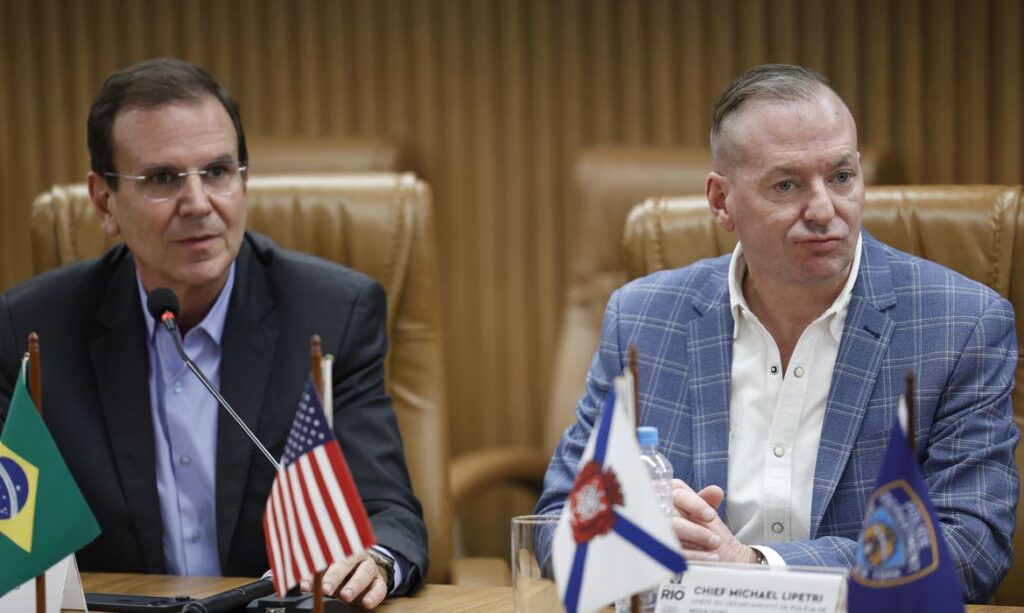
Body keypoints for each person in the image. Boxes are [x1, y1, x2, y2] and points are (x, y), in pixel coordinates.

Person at [535, 64, 1019, 602]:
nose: (824, 210)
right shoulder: (643, 318)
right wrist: (631, 541)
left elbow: (971, 547)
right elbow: (555, 522)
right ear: (721, 201)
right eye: (786, 185)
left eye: (841, 177)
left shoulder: (961, 325)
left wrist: (754, 567)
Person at [0, 58, 426, 608]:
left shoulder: (331, 317)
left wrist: (375, 559)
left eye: (218, 172)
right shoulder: (31, 332)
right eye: (162, 179)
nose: (199, 203)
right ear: (105, 203)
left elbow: (387, 512)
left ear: (244, 183)